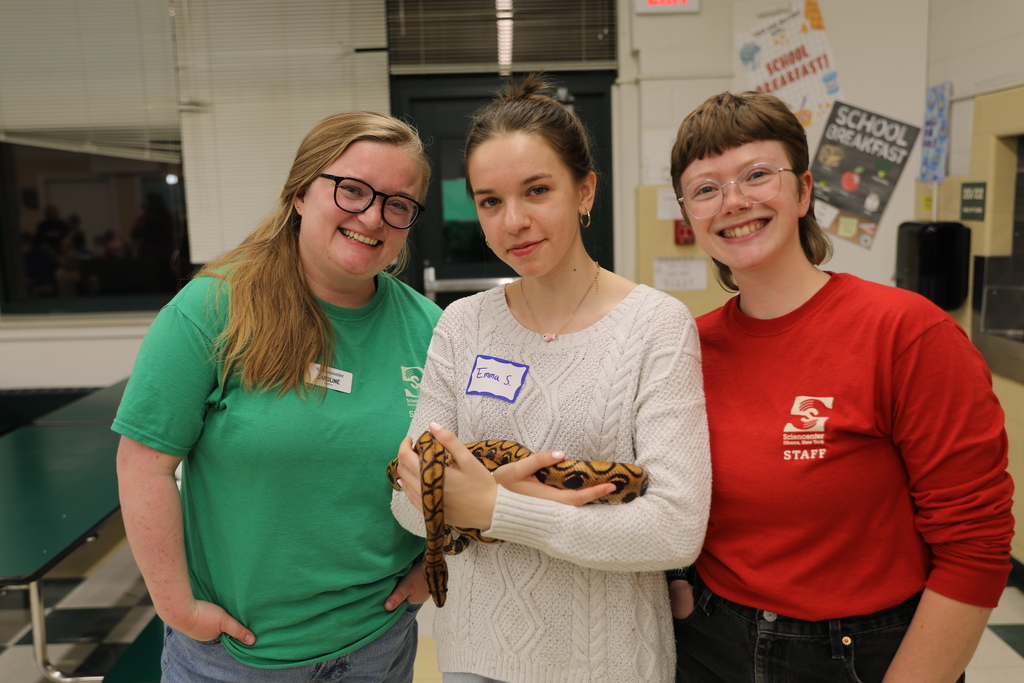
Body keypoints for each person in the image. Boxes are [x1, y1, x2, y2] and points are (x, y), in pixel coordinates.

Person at [667, 91, 1015, 683]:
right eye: (706, 188)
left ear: (804, 191)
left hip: (861, 654)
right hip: (712, 643)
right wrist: (677, 585)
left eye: (757, 175)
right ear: (689, 214)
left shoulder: (906, 333)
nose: (734, 202)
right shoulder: (684, 347)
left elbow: (976, 547)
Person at [391, 75, 712, 683]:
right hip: (475, 656)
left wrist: (492, 506)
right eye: (489, 200)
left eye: (537, 190)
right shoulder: (461, 326)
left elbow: (674, 529)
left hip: (612, 663)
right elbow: (404, 504)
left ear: (585, 190)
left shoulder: (655, 326)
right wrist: (493, 500)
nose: (513, 221)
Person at [114, 111, 442, 683]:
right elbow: (144, 463)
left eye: (397, 203)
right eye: (352, 190)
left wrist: (432, 566)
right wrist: (176, 607)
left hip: (377, 646)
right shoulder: (213, 309)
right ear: (299, 193)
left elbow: (457, 469)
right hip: (235, 659)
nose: (372, 216)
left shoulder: (432, 329)